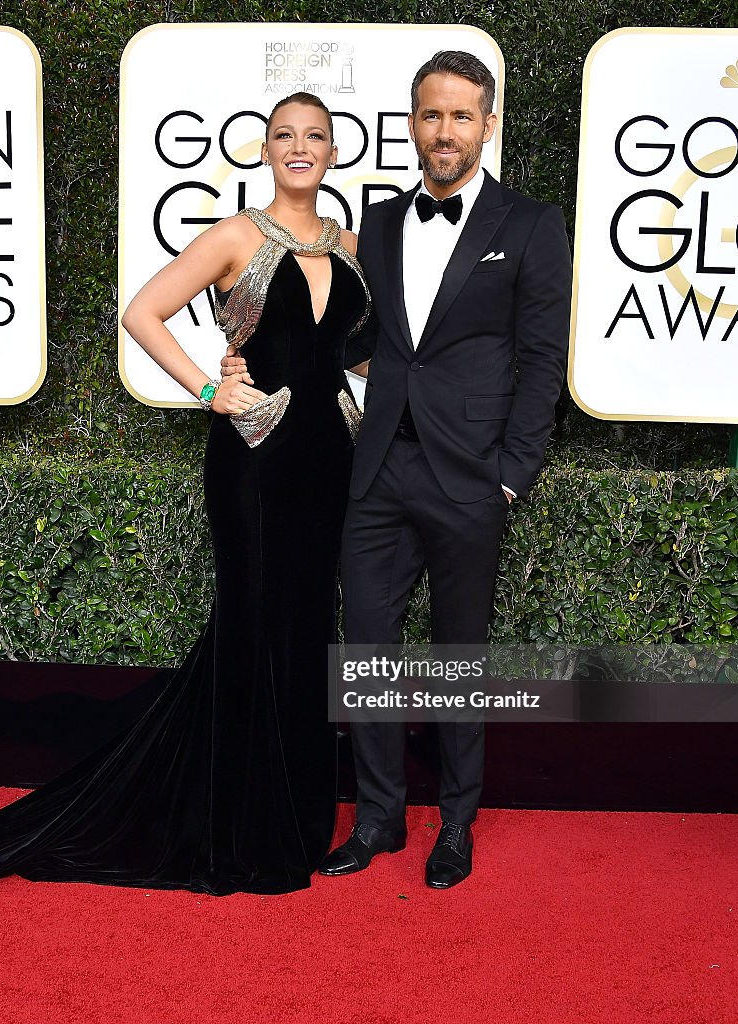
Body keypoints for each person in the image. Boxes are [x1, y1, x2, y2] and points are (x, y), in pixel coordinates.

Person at [0, 93, 369, 907]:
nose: (299, 148)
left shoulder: (350, 247)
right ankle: (240, 823)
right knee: (251, 630)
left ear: (332, 150)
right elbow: (141, 311)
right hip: (252, 456)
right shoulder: (236, 235)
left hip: (327, 464)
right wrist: (209, 387)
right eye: (285, 136)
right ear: (264, 149)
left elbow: (377, 343)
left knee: (309, 626)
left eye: (313, 137)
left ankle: (292, 813)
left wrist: (360, 390)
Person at [226, 51, 572, 889]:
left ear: (486, 125)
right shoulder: (375, 225)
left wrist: (509, 475)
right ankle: (378, 818)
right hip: (375, 468)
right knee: (369, 650)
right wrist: (235, 361)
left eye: (461, 115)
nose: (443, 131)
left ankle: (455, 824)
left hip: (469, 477)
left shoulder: (528, 224)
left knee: (457, 657)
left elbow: (540, 357)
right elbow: (338, 334)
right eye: (430, 115)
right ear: (410, 124)